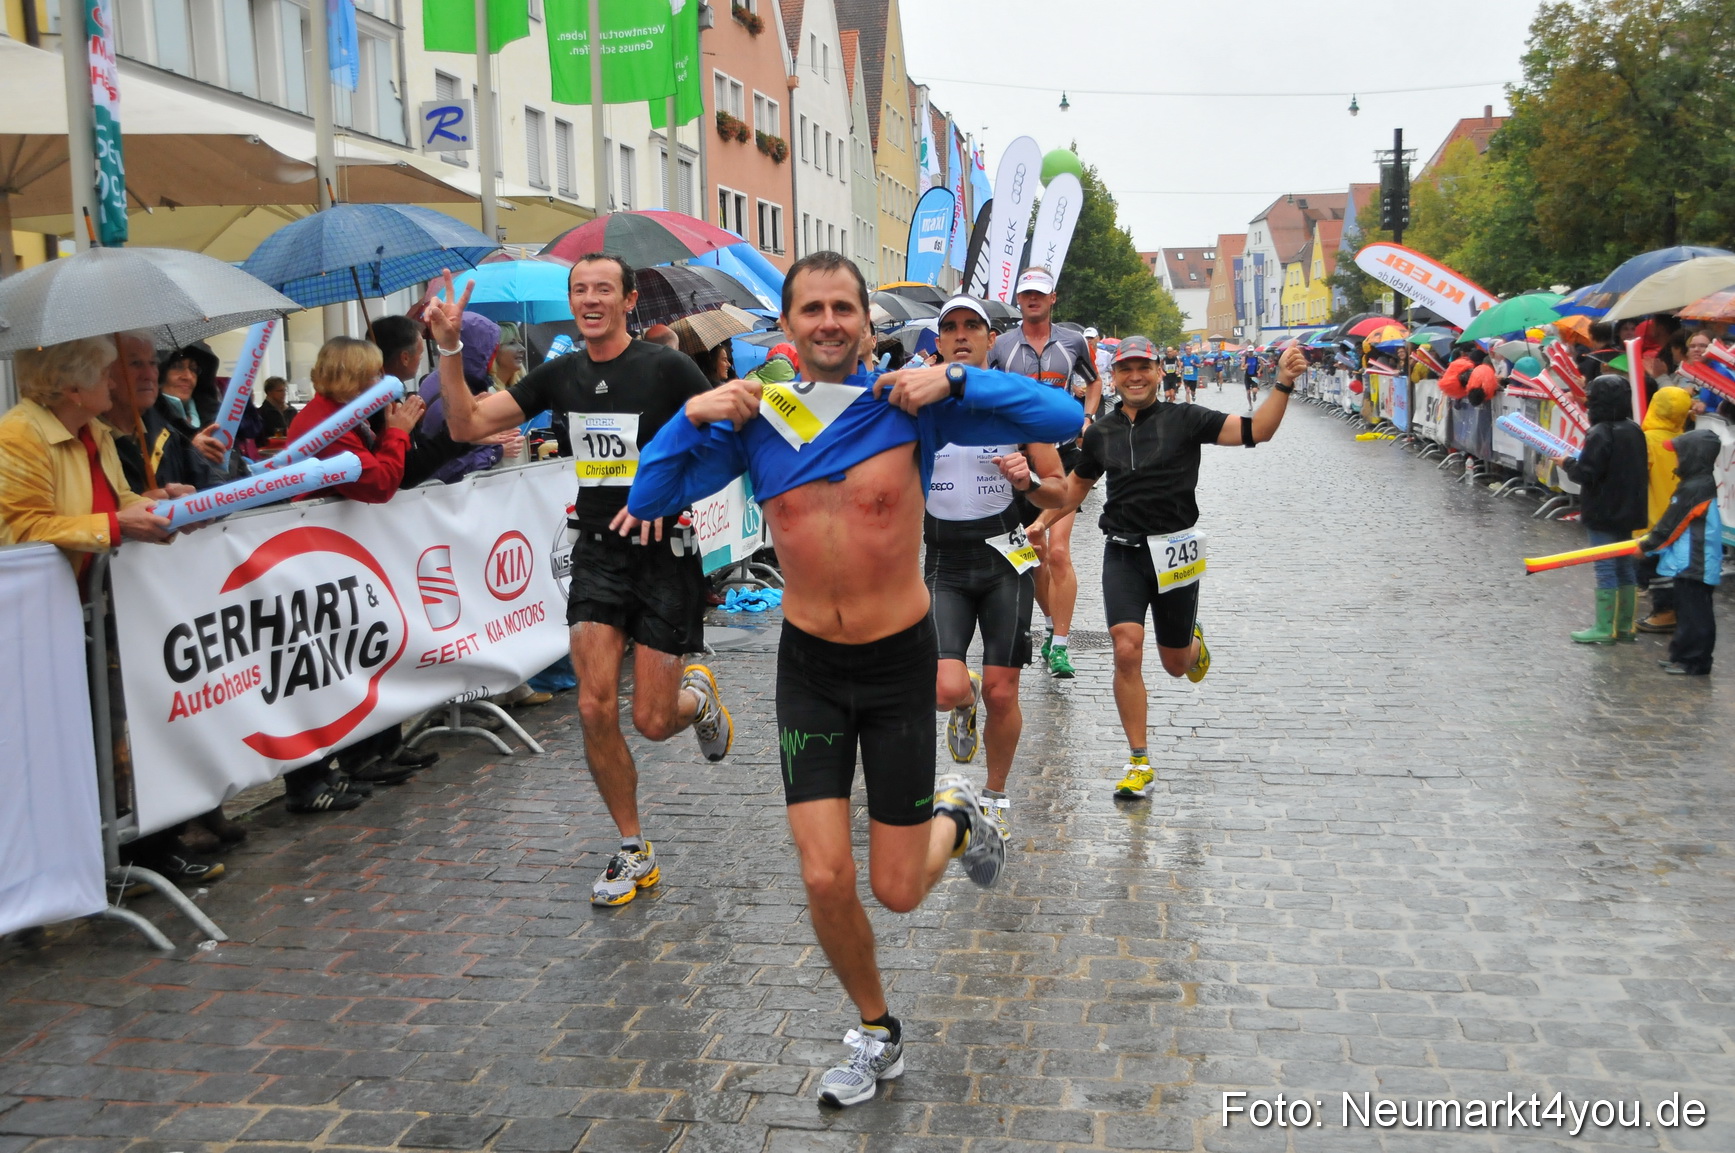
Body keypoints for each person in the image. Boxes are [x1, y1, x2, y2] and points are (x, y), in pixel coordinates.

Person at [627, 252, 1082, 1108]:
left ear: (867, 323)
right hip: (808, 668)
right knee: (826, 876)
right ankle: (876, 1031)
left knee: (897, 889)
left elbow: (1061, 412)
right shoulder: (761, 420)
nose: (828, 322)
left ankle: (963, 812)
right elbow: (651, 497)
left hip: (897, 659)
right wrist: (691, 414)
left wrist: (950, 379)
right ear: (788, 326)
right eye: (812, 309)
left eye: (844, 307)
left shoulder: (904, 408)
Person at [423, 255, 734, 908]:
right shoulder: (559, 375)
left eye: (602, 289)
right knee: (594, 704)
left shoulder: (665, 368)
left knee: (651, 719)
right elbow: (464, 425)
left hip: (663, 550)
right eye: (579, 290)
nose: (590, 299)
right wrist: (449, 350)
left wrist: (675, 485)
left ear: (627, 300)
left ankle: (695, 698)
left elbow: (727, 436)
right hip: (597, 550)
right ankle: (631, 846)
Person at [1032, 336, 1307, 800]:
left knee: (1176, 664)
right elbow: (1075, 489)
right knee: (1126, 647)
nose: (1135, 376)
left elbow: (1257, 430)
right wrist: (1041, 521)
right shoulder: (1100, 433)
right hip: (1123, 551)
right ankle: (1138, 760)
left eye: (1144, 367)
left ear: (1160, 371)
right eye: (1125, 370)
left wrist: (1282, 383)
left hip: (1176, 553)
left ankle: (1190, 641)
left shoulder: (1187, 419)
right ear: (1114, 377)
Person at [926, 295, 1067, 840]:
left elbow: (1063, 486)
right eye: (951, 328)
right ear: (939, 342)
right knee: (944, 687)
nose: (961, 335)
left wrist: (1028, 483)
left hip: (1004, 558)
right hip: (943, 561)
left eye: (972, 327)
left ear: (990, 340)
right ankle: (964, 702)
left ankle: (995, 793)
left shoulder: (1014, 404)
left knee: (1004, 693)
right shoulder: (922, 405)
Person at [277, 338, 428, 813]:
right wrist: (397, 433)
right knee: (317, 668)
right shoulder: (324, 423)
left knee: (360, 654)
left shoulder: (343, 417)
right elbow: (378, 482)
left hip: (339, 557)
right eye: (373, 375)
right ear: (353, 378)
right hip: (315, 559)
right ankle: (318, 775)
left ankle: (369, 749)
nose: (382, 382)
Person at [988, 266, 1098, 679]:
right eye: (1026, 294)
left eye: (1040, 294)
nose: (1033, 300)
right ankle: (1053, 629)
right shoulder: (1003, 346)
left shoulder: (1071, 341)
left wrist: (1086, 417)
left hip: (1065, 457)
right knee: (1031, 555)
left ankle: (1062, 648)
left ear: (1053, 298)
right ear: (1019, 300)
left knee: (1057, 550)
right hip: (1019, 461)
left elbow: (1095, 381)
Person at [1557, 376, 1648, 645]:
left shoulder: (1599, 432)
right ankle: (1625, 625)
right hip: (1629, 508)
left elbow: (1586, 473)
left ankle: (1604, 627)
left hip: (1603, 509)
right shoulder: (1634, 429)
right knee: (1624, 564)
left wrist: (1567, 462)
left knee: (1605, 566)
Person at [1638, 428, 1722, 675]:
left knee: (1696, 613)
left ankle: (1694, 661)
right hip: (1691, 560)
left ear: (1692, 456)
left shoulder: (1693, 488)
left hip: (1695, 561)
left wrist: (1647, 546)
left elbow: (1672, 523)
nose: (1675, 460)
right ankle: (1682, 655)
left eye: (1679, 455)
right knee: (1686, 611)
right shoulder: (1697, 484)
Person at [1635, 386, 1693, 634]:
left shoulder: (1647, 440)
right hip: (1678, 513)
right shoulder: (1686, 441)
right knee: (1671, 563)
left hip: (1651, 513)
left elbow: (1637, 475)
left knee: (1654, 565)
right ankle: (1670, 609)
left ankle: (1665, 612)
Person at [257, 376, 297, 441]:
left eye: (285, 390)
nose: (284, 394)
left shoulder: (291, 411)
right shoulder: (262, 413)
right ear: (269, 392)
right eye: (279, 391)